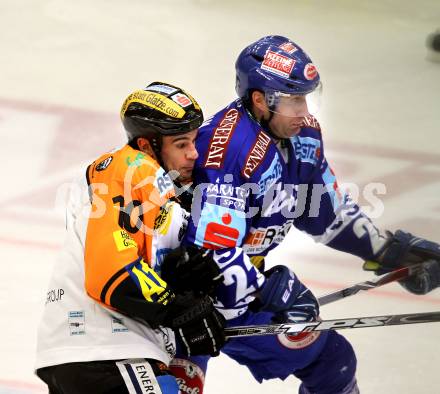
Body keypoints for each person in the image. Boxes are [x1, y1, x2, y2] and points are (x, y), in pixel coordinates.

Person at [160, 35, 440, 394]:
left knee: (332, 361)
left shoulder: (304, 134)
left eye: (306, 96)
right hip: (182, 300)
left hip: (235, 291)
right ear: (260, 99)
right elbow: (209, 253)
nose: (304, 110)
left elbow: (325, 210)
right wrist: (274, 292)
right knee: (178, 385)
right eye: (293, 99)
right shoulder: (229, 151)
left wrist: (385, 251)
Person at [34, 82, 227, 394]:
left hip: (93, 351)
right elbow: (110, 273)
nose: (194, 153)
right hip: (105, 349)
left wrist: (183, 288)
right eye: (181, 144)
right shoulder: (133, 168)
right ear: (148, 146)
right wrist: (178, 308)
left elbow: (135, 263)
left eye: (193, 141)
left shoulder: (157, 195)